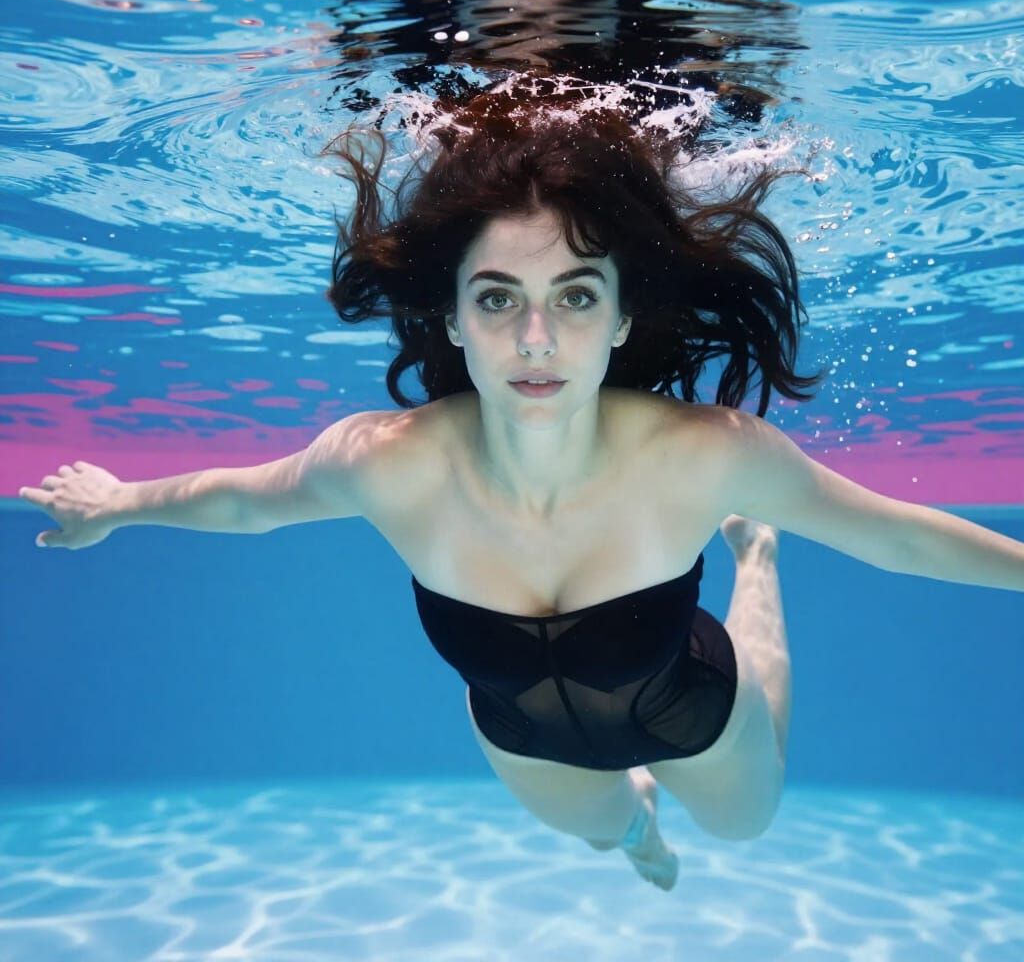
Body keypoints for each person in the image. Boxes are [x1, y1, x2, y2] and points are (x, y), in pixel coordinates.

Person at [19, 83, 1024, 893]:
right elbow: (247, 499)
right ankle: (635, 822)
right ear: (452, 318)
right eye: (497, 298)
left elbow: (893, 537)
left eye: (574, 297)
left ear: (622, 318)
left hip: (693, 706)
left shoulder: (704, 455)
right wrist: (118, 503)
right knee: (608, 834)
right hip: (524, 737)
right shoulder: (388, 460)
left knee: (744, 824)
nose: (534, 340)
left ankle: (754, 562)